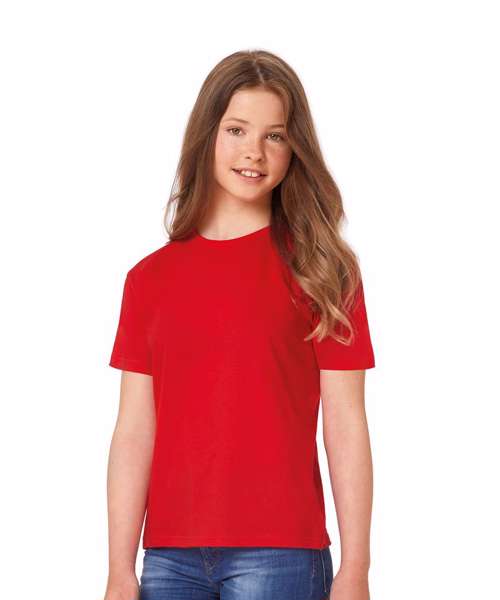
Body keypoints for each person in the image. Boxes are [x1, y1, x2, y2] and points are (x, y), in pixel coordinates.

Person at [104, 49, 376, 600]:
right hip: (168, 558)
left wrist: (356, 567)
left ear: (294, 149)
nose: (254, 151)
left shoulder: (322, 270)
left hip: (281, 553)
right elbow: (134, 429)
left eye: (275, 136)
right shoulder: (148, 280)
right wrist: (118, 569)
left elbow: (345, 422)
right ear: (206, 136)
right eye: (236, 130)